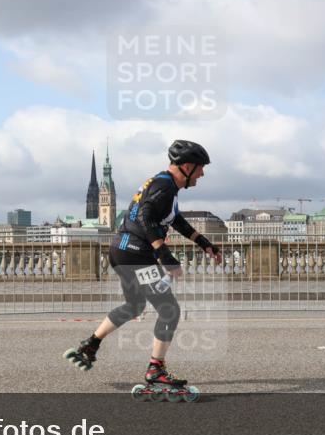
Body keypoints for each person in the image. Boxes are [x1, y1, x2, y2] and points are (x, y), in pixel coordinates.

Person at [65, 140, 222, 391]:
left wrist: (204, 243)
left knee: (134, 305)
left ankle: (91, 344)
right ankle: (155, 369)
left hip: (123, 251)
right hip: (135, 255)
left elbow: (176, 221)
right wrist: (165, 256)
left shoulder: (166, 185)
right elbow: (145, 215)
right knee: (170, 310)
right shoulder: (164, 186)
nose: (202, 174)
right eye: (201, 168)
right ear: (188, 166)